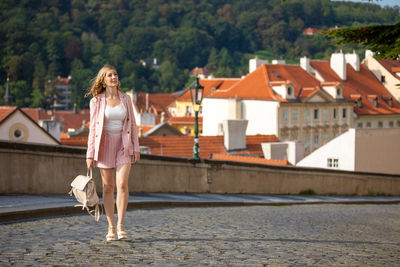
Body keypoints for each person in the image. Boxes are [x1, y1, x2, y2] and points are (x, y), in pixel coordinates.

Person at [86, 65, 140, 241]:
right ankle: (110, 227)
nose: (114, 77)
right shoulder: (96, 101)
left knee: (122, 184)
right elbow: (93, 128)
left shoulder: (126, 99)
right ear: (103, 80)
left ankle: (121, 225)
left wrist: (136, 148)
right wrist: (89, 154)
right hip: (104, 145)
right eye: (110, 75)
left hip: (124, 144)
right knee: (108, 187)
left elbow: (132, 125)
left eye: (115, 74)